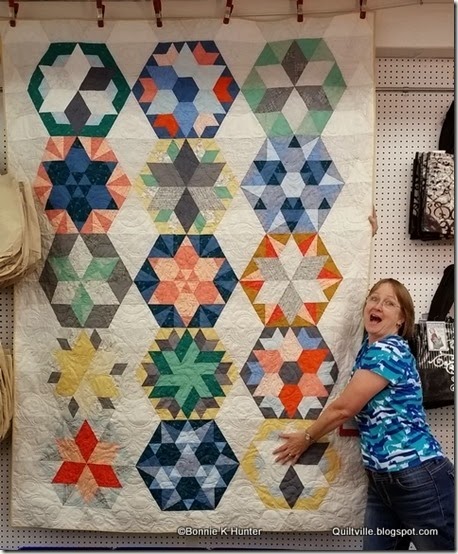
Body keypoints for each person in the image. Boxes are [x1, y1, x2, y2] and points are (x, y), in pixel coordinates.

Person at [273, 278, 454, 550]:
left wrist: (306, 438)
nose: (378, 305)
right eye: (374, 298)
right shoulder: (368, 350)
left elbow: (345, 408)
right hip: (383, 481)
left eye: (389, 303)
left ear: (401, 319)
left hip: (418, 477)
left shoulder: (387, 351)